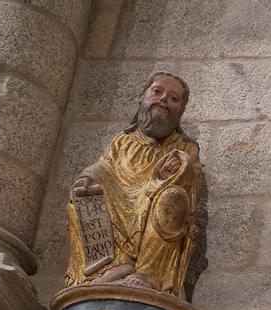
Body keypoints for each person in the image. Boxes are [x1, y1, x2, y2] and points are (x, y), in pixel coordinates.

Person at [65, 71, 203, 296]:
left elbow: (191, 183)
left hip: (155, 202)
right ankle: (106, 269)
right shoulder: (123, 140)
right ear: (142, 97)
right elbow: (104, 167)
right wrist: (87, 179)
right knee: (83, 197)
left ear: (181, 111)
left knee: (172, 198)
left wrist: (178, 170)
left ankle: (147, 273)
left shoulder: (186, 147)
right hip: (119, 201)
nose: (164, 99)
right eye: (157, 91)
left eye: (174, 98)